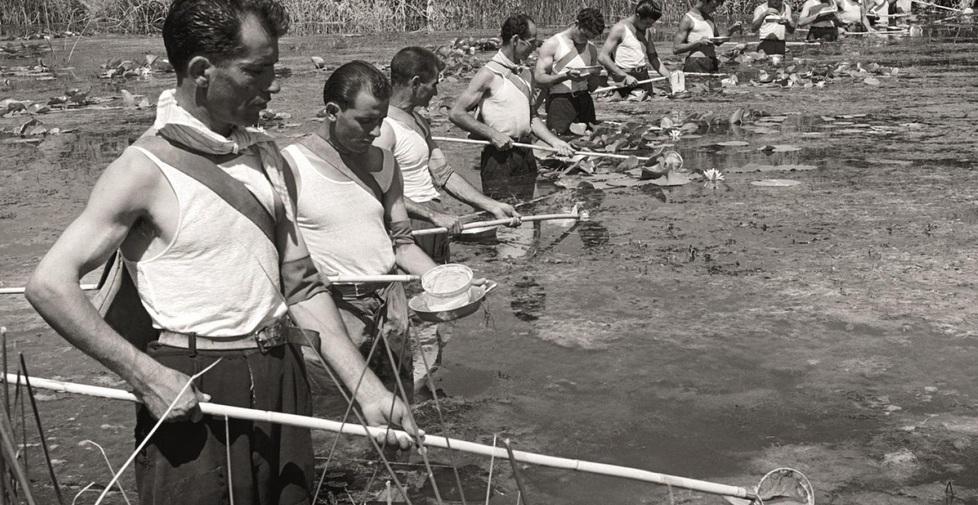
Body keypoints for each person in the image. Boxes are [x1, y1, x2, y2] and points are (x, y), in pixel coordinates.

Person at [23, 1, 417, 504]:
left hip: (280, 372)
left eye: (274, 66)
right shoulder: (144, 168)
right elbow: (51, 284)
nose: (272, 84)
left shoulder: (268, 157)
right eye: (256, 70)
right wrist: (146, 377)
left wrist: (369, 391)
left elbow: (301, 284)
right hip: (192, 388)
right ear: (201, 72)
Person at [376, 46, 520, 264]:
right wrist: (431, 215)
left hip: (434, 219)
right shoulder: (383, 129)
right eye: (433, 85)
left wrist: (491, 205)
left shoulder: (418, 121)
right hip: (408, 223)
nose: (436, 93)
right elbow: (378, 192)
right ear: (415, 83)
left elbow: (443, 174)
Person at [449, 14, 575, 203]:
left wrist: (554, 142)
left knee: (527, 211)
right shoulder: (488, 74)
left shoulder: (526, 73)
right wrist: (492, 134)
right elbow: (457, 113)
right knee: (503, 216)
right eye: (532, 42)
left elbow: (532, 118)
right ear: (516, 40)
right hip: (499, 158)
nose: (535, 48)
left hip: (525, 153)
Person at [533, 7, 606, 134]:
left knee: (590, 142)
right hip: (560, 101)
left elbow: (592, 88)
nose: (585, 40)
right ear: (576, 24)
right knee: (560, 141)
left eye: (590, 37)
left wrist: (596, 75)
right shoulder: (553, 44)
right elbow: (539, 79)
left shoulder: (592, 49)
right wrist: (566, 76)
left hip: (585, 100)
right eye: (584, 35)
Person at [598, 0, 674, 101]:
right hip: (623, 78)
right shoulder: (620, 29)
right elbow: (603, 57)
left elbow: (653, 58)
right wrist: (624, 76)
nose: (649, 26)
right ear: (637, 15)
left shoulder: (647, 31)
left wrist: (668, 76)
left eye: (651, 23)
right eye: (647, 23)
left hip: (643, 77)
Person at [674, 0, 743, 74]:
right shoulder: (688, 19)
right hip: (696, 62)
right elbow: (676, 48)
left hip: (712, 61)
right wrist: (698, 42)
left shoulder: (710, 19)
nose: (714, 10)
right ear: (704, 2)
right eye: (713, 6)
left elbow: (717, 41)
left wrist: (731, 30)